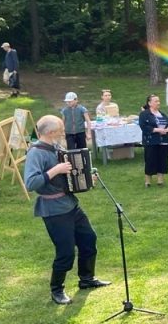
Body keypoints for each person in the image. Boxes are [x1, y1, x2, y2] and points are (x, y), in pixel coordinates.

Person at [24, 115, 111, 304]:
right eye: (60, 130)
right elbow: (30, 183)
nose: (63, 133)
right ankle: (57, 290)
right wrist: (56, 170)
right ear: (50, 132)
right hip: (53, 210)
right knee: (66, 252)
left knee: (88, 239)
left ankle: (86, 279)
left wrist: (87, 179)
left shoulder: (56, 148)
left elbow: (69, 175)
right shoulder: (36, 153)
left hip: (70, 204)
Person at [138, 95, 168, 187]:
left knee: (162, 160)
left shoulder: (162, 114)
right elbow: (144, 127)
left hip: (164, 140)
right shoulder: (144, 114)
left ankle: (160, 180)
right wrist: (157, 130)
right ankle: (148, 181)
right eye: (156, 101)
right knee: (150, 160)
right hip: (151, 141)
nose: (158, 103)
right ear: (150, 103)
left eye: (159, 101)